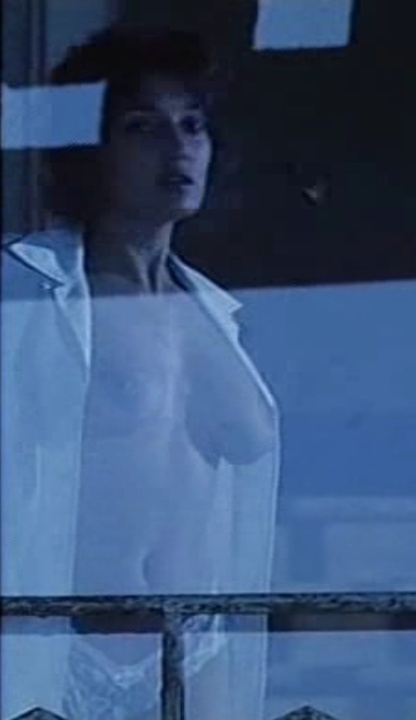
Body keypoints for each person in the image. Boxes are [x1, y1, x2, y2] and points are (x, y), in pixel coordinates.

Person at [1, 26, 280, 719]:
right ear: (88, 147)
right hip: (57, 647)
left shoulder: (217, 313)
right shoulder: (29, 292)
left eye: (192, 125)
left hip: (196, 645)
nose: (177, 147)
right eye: (142, 127)